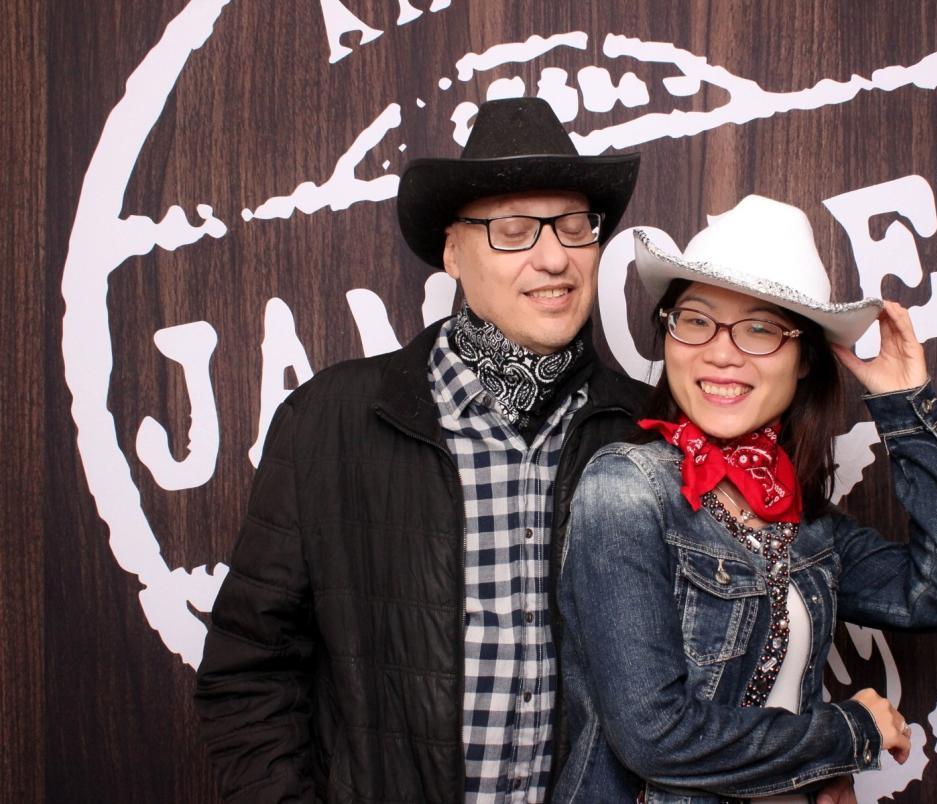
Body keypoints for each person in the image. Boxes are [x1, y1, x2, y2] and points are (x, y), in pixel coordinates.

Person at [194, 97, 647, 803]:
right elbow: (249, 671)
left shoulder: (646, 430)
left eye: (574, 226)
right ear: (453, 252)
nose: (555, 257)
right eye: (514, 230)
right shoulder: (328, 423)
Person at [554, 195, 937, 803]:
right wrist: (849, 735)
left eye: (760, 329)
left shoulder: (805, 523)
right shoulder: (627, 489)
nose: (721, 352)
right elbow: (653, 737)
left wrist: (906, 411)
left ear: (804, 358)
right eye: (696, 320)